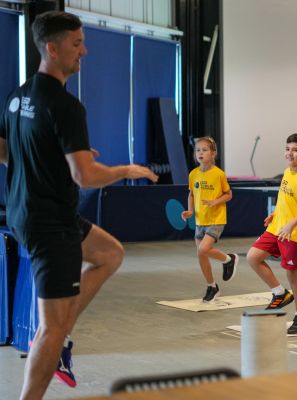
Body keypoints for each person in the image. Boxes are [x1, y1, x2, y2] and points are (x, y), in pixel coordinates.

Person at [0, 11, 158, 400]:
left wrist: (54, 157)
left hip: (25, 212)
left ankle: (62, 336)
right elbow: (85, 177)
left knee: (109, 253)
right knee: (48, 330)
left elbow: (5, 149)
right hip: (51, 224)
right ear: (52, 49)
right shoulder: (67, 107)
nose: (84, 51)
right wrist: (123, 169)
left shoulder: (19, 96)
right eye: (76, 44)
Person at [247, 133, 297, 334]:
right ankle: (280, 293)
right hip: (277, 227)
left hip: (296, 233)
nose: (290, 153)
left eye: (296, 150)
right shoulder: (287, 172)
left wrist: (291, 225)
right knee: (253, 257)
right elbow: (286, 200)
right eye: (287, 149)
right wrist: (275, 214)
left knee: (293, 276)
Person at [181, 136, 238, 302]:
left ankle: (229, 259)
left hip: (216, 218)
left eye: (204, 150)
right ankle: (212, 286)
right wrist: (190, 211)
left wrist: (215, 202)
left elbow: (229, 194)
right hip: (200, 220)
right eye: (198, 150)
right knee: (201, 254)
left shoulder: (219, 174)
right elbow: (191, 194)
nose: (200, 153)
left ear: (213, 153)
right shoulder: (193, 174)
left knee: (204, 249)